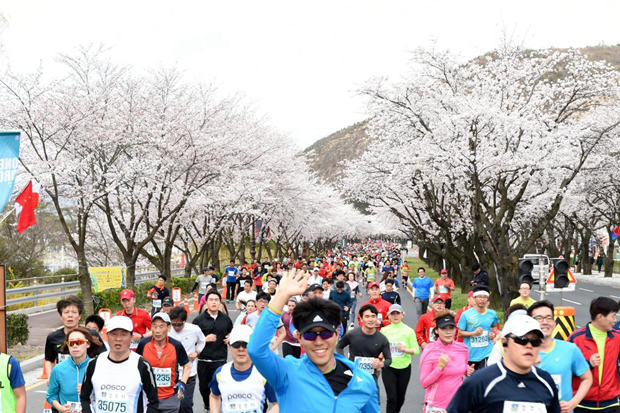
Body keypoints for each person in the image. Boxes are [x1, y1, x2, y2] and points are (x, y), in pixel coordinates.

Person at [247, 270, 379, 412]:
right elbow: (256, 350)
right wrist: (281, 295)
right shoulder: (287, 373)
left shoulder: (363, 381)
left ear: (336, 334)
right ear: (300, 338)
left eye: (325, 333)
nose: (318, 341)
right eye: (310, 335)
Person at [447, 314, 561, 413]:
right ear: (504, 343)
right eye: (522, 340)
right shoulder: (480, 382)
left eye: (535, 341)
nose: (529, 345)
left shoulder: (546, 381)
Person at [80, 316, 159, 413]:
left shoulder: (142, 365)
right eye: (114, 334)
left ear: (131, 337)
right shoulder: (94, 364)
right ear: (107, 336)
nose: (118, 339)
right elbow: (85, 398)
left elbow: (153, 402)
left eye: (123, 334)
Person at [528, 300, 593, 413]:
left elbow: (587, 378)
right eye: (539, 318)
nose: (545, 322)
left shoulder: (570, 349)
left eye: (549, 318)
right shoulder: (522, 352)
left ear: (554, 323)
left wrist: (573, 403)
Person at [209, 325, 279, 413]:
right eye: (236, 345)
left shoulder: (263, 373)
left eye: (245, 345)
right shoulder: (220, 373)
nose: (241, 349)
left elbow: (278, 404)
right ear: (230, 347)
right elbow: (214, 396)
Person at [569, 297, 620, 413]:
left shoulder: (618, 337)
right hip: (582, 405)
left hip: (611, 404)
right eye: (613, 316)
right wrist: (588, 364)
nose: (615, 320)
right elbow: (567, 369)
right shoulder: (576, 338)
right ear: (600, 317)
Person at [136, 312, 190, 413]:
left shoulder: (176, 346)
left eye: (161, 326)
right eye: (154, 326)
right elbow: (135, 366)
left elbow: (187, 366)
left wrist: (182, 383)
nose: (157, 331)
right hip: (147, 398)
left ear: (168, 328)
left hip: (170, 398)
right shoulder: (143, 344)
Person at [419, 311, 472, 413]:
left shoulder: (463, 349)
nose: (448, 332)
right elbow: (424, 383)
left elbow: (463, 368)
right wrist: (439, 368)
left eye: (451, 328)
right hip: (436, 407)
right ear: (437, 331)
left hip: (457, 405)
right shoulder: (430, 350)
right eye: (444, 328)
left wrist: (467, 370)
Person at [193, 290, 233, 411]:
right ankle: (207, 405)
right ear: (206, 302)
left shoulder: (226, 319)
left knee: (219, 386)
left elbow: (230, 333)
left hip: (220, 359)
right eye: (211, 300)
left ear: (220, 302)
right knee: (204, 387)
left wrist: (230, 338)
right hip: (204, 359)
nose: (214, 302)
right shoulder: (198, 320)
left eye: (216, 300)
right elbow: (192, 340)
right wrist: (205, 339)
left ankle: (216, 408)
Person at [45, 296, 106, 376]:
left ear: (79, 316)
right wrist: (51, 377)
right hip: (64, 380)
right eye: (66, 312)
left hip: (87, 380)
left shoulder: (91, 334)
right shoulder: (53, 337)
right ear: (61, 316)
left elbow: (104, 357)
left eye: (74, 312)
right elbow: (49, 360)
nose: (70, 315)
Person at [47, 327, 102, 413]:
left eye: (79, 342)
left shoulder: (97, 367)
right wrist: (60, 408)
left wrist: (88, 391)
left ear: (88, 344)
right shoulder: (58, 369)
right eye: (71, 343)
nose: (75, 346)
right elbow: (51, 396)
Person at [380, 304, 420, 413]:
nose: (395, 316)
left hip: (404, 368)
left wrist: (405, 349)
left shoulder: (409, 331)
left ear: (403, 315)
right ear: (388, 316)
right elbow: (380, 348)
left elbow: (416, 350)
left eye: (398, 313)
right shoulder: (384, 331)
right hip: (389, 367)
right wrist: (380, 355)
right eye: (392, 314)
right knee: (392, 398)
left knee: (400, 398)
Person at [337, 304, 392, 383]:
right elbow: (339, 346)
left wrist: (381, 364)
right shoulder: (352, 334)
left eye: (373, 316)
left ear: (377, 319)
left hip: (371, 379)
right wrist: (344, 362)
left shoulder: (382, 339)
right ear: (361, 319)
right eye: (367, 316)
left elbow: (389, 360)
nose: (370, 319)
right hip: (353, 376)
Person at [168, 306, 206, 413]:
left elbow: (202, 341)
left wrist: (196, 352)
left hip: (189, 373)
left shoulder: (194, 329)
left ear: (185, 321)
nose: (176, 327)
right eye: (173, 324)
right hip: (171, 373)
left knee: (185, 404)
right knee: (174, 405)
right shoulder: (167, 330)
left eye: (179, 324)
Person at [457, 286, 499, 370]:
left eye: (485, 297)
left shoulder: (492, 314)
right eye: (479, 297)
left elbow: (495, 328)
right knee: (473, 380)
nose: (482, 299)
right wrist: (474, 333)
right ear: (474, 298)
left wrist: (493, 334)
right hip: (471, 354)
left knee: (485, 378)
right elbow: (460, 333)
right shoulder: (466, 314)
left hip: (487, 352)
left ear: (487, 299)